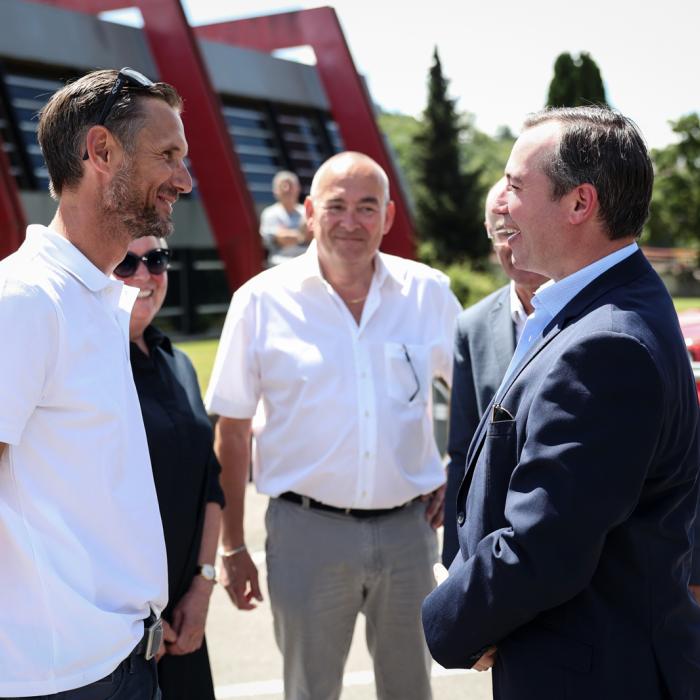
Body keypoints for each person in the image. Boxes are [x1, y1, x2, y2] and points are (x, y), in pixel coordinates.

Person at [422, 106, 700, 699]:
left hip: (595, 673)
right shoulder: (592, 310)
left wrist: (451, 621)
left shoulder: (605, 342)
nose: (501, 202)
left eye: (517, 186)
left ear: (580, 204)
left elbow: (546, 545)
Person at [205, 151, 461, 700]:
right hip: (305, 534)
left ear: (388, 217)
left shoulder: (429, 293)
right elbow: (231, 426)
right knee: (310, 691)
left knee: (411, 689)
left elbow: (478, 398)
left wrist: (457, 470)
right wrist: (231, 545)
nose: (351, 221)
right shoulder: (260, 301)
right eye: (336, 206)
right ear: (308, 215)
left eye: (367, 207)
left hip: (409, 534)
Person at [0, 68, 192, 698]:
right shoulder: (24, 300)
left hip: (123, 661)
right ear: (101, 152)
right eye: (167, 156)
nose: (184, 181)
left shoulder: (94, 298)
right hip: (59, 681)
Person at [113, 236, 225, 700]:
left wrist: (202, 589)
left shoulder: (177, 362)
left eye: (155, 259)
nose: (144, 274)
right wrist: (136, 619)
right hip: (116, 634)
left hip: (183, 623)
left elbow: (210, 485)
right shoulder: (86, 367)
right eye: (125, 262)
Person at [442, 177, 547, 567]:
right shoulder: (472, 326)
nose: (511, 242)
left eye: (519, 228)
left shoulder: (597, 316)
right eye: (502, 231)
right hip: (496, 553)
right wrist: (455, 563)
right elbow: (462, 453)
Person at [259, 170, 309, 265]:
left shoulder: (306, 211)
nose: (287, 189)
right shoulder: (270, 213)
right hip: (279, 265)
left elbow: (315, 237)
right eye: (283, 186)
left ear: (298, 188)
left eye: (291, 185)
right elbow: (281, 239)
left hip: (306, 263)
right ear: (275, 191)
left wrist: (288, 234)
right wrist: (302, 233)